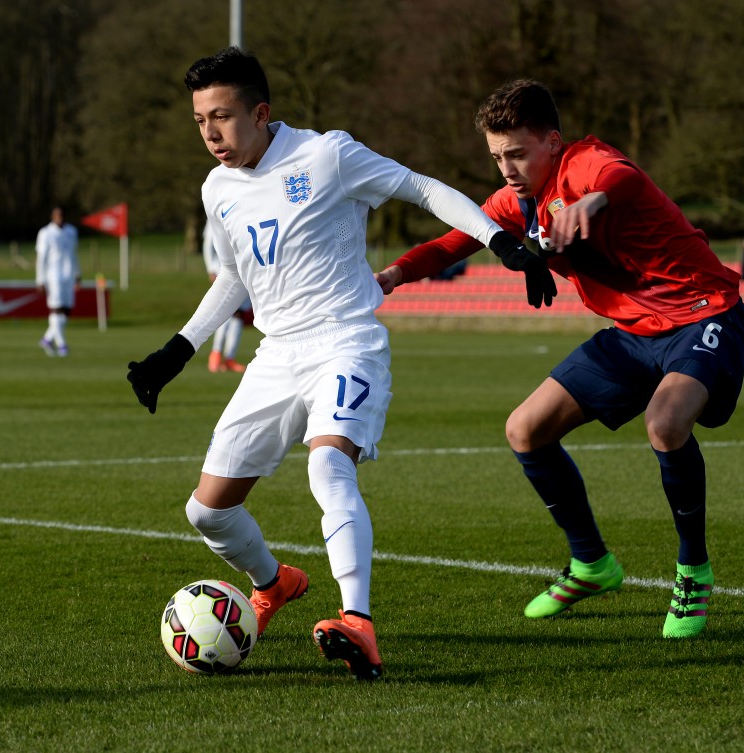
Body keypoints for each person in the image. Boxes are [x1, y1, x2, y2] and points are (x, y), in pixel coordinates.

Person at [126, 47, 528, 679]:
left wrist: (497, 238)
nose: (210, 133)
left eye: (223, 117)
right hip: (276, 354)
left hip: (345, 340)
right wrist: (177, 351)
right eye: (201, 120)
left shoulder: (327, 155)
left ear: (261, 114)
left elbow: (420, 188)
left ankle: (358, 623)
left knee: (327, 467)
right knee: (207, 512)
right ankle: (274, 582)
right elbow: (234, 276)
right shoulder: (217, 188)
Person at [376, 79, 744, 639]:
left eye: (517, 153)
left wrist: (592, 203)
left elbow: (619, 178)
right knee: (525, 429)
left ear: (552, 141)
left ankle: (693, 571)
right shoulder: (513, 201)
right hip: (631, 332)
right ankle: (591, 564)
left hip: (705, 314)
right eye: (497, 156)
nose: (506, 167)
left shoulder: (585, 164)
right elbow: (453, 242)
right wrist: (388, 277)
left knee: (666, 423)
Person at [202, 216, 251, 372]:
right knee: (226, 313)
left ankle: (230, 358)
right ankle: (215, 355)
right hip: (223, 270)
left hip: (244, 269)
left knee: (238, 315)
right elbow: (208, 243)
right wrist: (211, 268)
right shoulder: (217, 208)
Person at [35, 207, 80, 357]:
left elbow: (74, 254)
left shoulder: (71, 231)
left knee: (67, 310)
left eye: (62, 214)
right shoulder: (45, 233)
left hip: (68, 276)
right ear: (52, 216)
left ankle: (47, 339)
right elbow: (41, 258)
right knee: (56, 309)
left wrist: (77, 274)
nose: (59, 217)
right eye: (57, 215)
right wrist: (40, 280)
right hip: (53, 276)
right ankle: (62, 345)